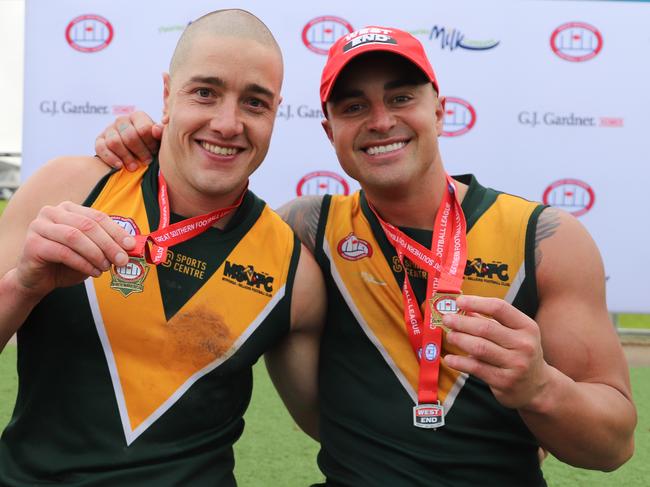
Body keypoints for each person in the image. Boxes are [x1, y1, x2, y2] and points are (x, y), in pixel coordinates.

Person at [93, 25, 636, 486]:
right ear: (330, 132)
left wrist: (541, 387)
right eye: (355, 107)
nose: (380, 121)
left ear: (440, 111)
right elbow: (194, 197)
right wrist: (143, 141)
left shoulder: (546, 239)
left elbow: (612, 447)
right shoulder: (304, 231)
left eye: (401, 98)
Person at [0, 9, 325, 485]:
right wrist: (24, 286)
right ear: (167, 95)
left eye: (254, 103)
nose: (228, 123)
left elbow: (341, 430)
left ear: (276, 111)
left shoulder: (294, 272)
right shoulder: (69, 186)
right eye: (205, 92)